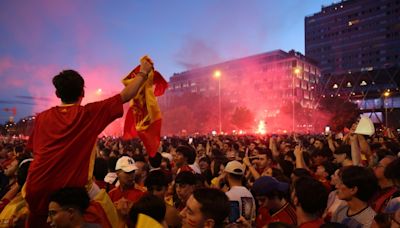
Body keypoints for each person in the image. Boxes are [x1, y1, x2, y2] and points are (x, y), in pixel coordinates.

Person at [25, 57, 153, 226]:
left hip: (35, 187)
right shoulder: (88, 114)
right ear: (82, 93)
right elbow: (126, 95)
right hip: (70, 190)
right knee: (110, 215)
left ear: (57, 94)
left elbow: (35, 151)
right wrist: (144, 71)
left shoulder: (41, 118)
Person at [108, 156, 145, 225]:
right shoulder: (111, 194)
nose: (131, 175)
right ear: (117, 173)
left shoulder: (142, 194)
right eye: (127, 172)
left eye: (133, 171)